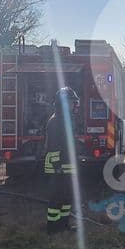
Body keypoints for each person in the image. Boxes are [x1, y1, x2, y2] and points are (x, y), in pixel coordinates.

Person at [43, 87, 80, 234]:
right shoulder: (55, 121)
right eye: (71, 102)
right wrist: (58, 167)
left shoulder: (66, 119)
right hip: (57, 167)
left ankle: (64, 224)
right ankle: (53, 228)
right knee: (57, 198)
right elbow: (54, 146)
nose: (73, 105)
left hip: (67, 165)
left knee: (67, 197)